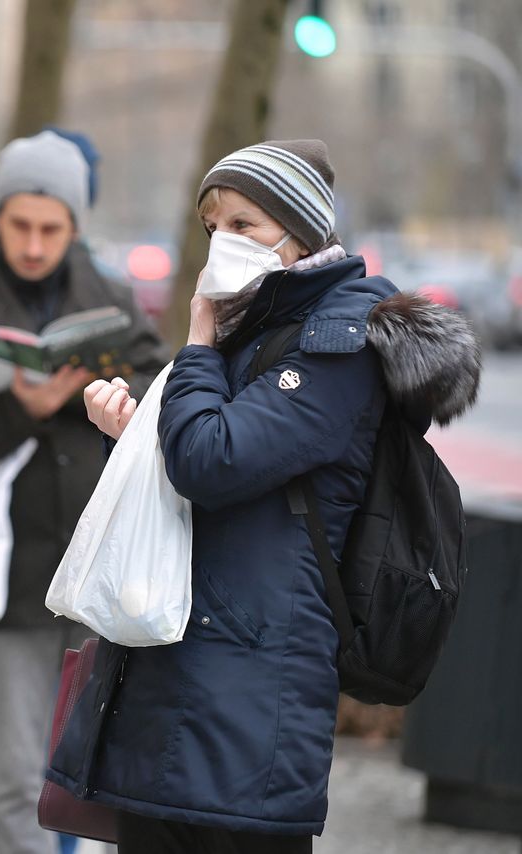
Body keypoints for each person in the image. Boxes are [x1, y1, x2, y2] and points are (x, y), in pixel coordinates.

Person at [78, 140, 481, 851]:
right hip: (193, 673)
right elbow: (199, 479)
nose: (221, 242)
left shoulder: (336, 342)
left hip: (249, 692)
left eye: (244, 225)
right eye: (212, 226)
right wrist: (130, 436)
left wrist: (198, 341)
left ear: (299, 236)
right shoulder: (255, 327)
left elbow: (212, 460)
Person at [0, 131, 167, 854]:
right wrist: (24, 407)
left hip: (98, 567)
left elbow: (163, 397)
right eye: (18, 224)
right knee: (18, 775)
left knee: (91, 776)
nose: (32, 243)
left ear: (75, 227)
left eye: (51, 228)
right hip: (5, 575)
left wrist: (114, 399)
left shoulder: (111, 302)